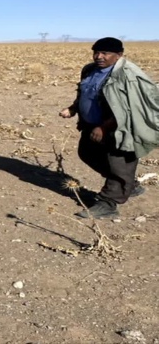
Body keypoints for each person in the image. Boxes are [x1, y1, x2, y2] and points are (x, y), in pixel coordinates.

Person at [59, 37, 159, 219]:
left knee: (120, 164)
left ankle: (108, 203)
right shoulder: (89, 70)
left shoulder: (128, 76)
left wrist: (104, 127)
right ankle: (129, 185)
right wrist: (74, 108)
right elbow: (85, 93)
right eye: (96, 52)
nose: (99, 56)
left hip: (121, 129)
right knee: (87, 153)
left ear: (119, 55)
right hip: (92, 125)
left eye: (105, 53)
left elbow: (129, 108)